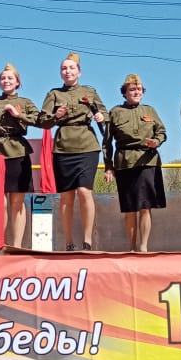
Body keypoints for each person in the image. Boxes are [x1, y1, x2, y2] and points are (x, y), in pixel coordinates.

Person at [40, 52, 106, 251]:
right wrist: (56, 116)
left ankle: (87, 241)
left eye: (71, 68)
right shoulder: (54, 94)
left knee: (85, 191)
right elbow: (43, 121)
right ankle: (68, 243)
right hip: (63, 148)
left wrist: (102, 117)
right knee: (67, 196)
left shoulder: (90, 91)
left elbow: (104, 113)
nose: (67, 71)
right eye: (64, 68)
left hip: (87, 145)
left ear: (79, 72)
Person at [102, 74, 166, 252]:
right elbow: (107, 142)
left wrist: (156, 141)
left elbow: (161, 132)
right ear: (125, 92)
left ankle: (143, 246)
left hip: (148, 160)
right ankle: (131, 247)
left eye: (139, 89)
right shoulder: (115, 112)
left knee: (145, 206)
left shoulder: (150, 111)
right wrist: (108, 167)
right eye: (132, 89)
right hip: (125, 162)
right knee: (130, 208)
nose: (136, 92)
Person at [0, 63, 39, 248]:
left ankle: (17, 245)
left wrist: (17, 114)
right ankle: (0, 244)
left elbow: (38, 119)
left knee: (17, 202)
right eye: (3, 78)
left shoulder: (26, 102)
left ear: (17, 82)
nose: (6, 81)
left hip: (18, 151)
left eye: (10, 78)